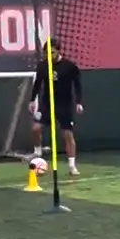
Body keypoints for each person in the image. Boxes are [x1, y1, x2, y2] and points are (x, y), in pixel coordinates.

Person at [30, 40, 83, 176]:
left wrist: (79, 102)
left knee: (67, 135)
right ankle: (37, 153)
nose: (49, 55)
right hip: (47, 103)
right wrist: (32, 100)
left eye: (52, 52)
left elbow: (77, 84)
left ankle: (72, 166)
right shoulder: (42, 66)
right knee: (35, 128)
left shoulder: (69, 66)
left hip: (64, 104)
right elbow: (37, 84)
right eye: (47, 53)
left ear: (59, 51)